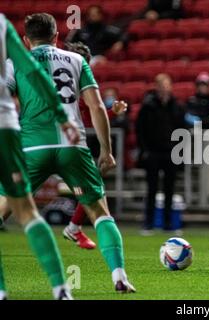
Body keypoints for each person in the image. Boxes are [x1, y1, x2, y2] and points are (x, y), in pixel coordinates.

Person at [0, 13, 135, 293]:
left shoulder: (16, 64)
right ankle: (119, 276)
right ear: (56, 36)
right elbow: (97, 107)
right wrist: (106, 151)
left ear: (26, 39)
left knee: (8, 210)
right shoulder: (77, 60)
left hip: (32, 146)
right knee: (100, 213)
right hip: (73, 145)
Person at [0, 13, 80, 300]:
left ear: (27, 38)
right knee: (27, 211)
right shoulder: (2, 25)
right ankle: (61, 288)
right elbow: (33, 72)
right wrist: (63, 117)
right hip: (8, 128)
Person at [62, 42, 128, 250]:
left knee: (95, 185)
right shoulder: (65, 85)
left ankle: (73, 228)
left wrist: (112, 113)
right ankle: (74, 228)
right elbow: (93, 110)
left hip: (57, 144)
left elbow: (92, 115)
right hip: (52, 142)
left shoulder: (74, 87)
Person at [136, 73, 185, 235]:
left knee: (170, 189)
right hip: (153, 152)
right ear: (156, 87)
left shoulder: (176, 106)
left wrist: (180, 152)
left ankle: (168, 224)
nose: (164, 88)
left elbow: (182, 130)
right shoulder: (148, 106)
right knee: (151, 189)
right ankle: (148, 223)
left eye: (167, 85)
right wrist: (145, 151)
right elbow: (140, 130)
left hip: (171, 152)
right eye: (162, 85)